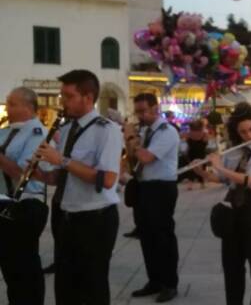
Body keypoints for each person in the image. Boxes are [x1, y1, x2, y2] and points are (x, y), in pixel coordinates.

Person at [34, 70, 121, 305]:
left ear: (88, 97)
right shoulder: (66, 129)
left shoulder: (107, 130)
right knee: (65, 286)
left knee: (92, 287)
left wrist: (60, 160)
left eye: (68, 96)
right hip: (65, 216)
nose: (63, 102)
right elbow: (65, 177)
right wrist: (40, 174)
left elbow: (107, 180)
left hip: (95, 219)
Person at [194, 102, 251, 305]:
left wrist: (220, 167)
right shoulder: (232, 152)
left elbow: (250, 180)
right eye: (243, 132)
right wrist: (200, 171)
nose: (249, 136)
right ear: (236, 133)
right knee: (232, 268)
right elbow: (223, 180)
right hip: (232, 211)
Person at [0, 87, 49, 305]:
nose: (7, 108)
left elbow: (22, 173)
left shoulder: (37, 133)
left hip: (25, 206)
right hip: (3, 204)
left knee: (23, 269)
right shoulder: (6, 130)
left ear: (28, 107)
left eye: (12, 104)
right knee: (10, 268)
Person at [129, 93, 180, 303]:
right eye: (137, 111)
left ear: (155, 108)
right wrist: (131, 142)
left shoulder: (166, 131)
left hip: (161, 188)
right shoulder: (144, 130)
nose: (140, 115)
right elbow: (133, 156)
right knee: (147, 236)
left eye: (143, 111)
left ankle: (169, 283)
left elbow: (147, 157)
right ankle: (154, 280)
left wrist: (131, 139)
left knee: (162, 237)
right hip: (143, 187)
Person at [181, 120, 209, 190]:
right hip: (201, 153)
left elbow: (183, 141)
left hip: (191, 153)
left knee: (191, 168)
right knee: (202, 167)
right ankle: (202, 183)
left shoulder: (188, 134)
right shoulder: (204, 134)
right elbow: (206, 143)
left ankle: (190, 184)